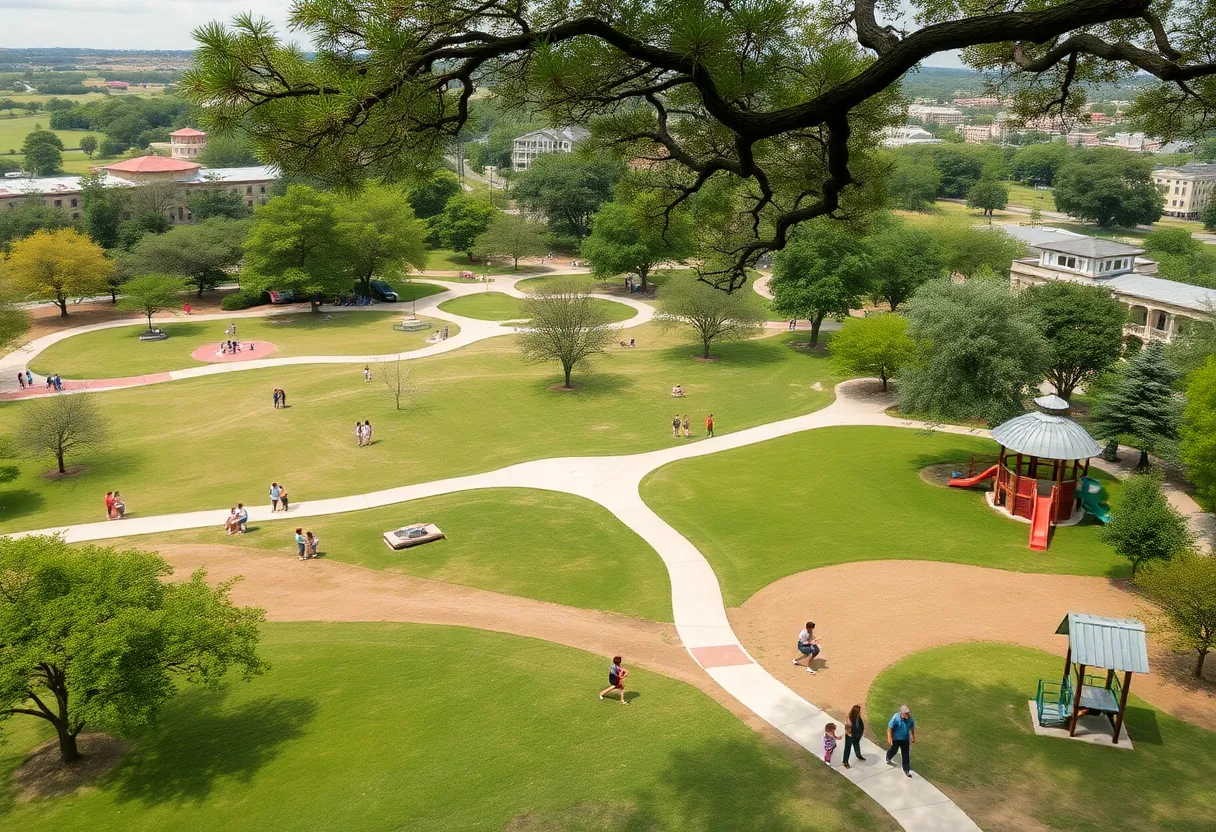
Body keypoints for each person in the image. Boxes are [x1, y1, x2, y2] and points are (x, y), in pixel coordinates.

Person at [885, 705, 916, 777]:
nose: (908, 715)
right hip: (896, 738)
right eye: (906, 713)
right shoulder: (896, 717)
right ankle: (888, 756)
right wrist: (889, 737)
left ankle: (906, 769)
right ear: (902, 713)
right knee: (894, 750)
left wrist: (913, 736)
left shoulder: (910, 719)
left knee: (906, 754)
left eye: (908, 713)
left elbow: (912, 727)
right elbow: (890, 727)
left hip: (905, 738)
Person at [842, 704, 866, 769]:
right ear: (856, 712)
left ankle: (858, 755)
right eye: (859, 711)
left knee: (856, 745)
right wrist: (850, 734)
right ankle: (845, 761)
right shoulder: (849, 718)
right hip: (850, 735)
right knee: (848, 748)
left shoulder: (857, 717)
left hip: (856, 734)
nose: (860, 712)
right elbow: (847, 729)